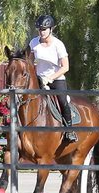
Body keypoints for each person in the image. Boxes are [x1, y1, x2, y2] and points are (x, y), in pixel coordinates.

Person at [29, 14, 77, 143]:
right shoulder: (33, 43)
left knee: (62, 101)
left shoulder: (58, 45)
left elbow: (65, 67)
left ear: (51, 29)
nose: (42, 32)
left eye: (44, 29)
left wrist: (50, 78)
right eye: (40, 29)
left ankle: (69, 131)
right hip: (39, 79)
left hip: (56, 79)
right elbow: (30, 62)